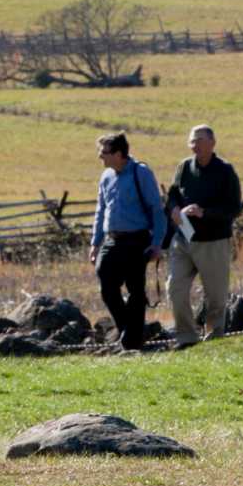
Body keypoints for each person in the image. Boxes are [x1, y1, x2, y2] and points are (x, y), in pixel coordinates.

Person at [163, 124, 243, 346]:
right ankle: (186, 337)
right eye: (191, 141)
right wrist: (176, 211)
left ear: (212, 143)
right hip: (184, 239)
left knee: (216, 297)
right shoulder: (183, 168)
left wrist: (204, 213)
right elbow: (172, 196)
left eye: (199, 140)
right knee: (175, 288)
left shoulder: (225, 171)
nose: (194, 145)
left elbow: (234, 208)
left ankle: (215, 337)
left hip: (213, 242)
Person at [88, 132, 165, 352]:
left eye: (104, 153)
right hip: (112, 239)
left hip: (137, 239)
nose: (100, 157)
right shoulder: (106, 176)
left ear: (119, 154)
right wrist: (95, 243)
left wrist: (157, 243)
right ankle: (128, 330)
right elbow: (100, 210)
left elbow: (156, 209)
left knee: (135, 290)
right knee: (106, 284)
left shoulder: (141, 173)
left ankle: (132, 341)